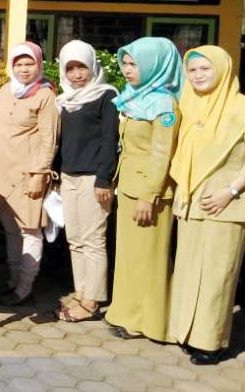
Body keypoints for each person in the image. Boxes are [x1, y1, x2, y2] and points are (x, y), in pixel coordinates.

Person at [168, 46, 245, 365]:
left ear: (223, 70)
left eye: (205, 69)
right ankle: (187, 332)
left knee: (217, 273)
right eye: (193, 70)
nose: (198, 76)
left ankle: (211, 342)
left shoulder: (240, 107)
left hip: (226, 203)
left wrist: (230, 190)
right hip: (190, 201)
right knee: (188, 270)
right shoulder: (188, 103)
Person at [106, 37, 183, 343]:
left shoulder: (164, 104)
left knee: (149, 259)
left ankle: (149, 322)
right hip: (128, 185)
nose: (127, 70)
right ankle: (125, 313)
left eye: (134, 64)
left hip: (148, 193)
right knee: (129, 256)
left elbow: (162, 155)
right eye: (125, 63)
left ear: (155, 65)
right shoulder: (134, 96)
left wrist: (149, 195)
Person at [53, 40, 119, 322]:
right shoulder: (64, 100)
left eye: (82, 67)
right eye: (71, 68)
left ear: (93, 66)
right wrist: (56, 173)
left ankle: (91, 301)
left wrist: (104, 180)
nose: (77, 74)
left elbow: (110, 140)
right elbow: (61, 141)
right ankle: (81, 293)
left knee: (93, 241)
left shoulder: (106, 97)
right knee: (75, 239)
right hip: (69, 177)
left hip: (95, 179)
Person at [0, 41, 59, 307]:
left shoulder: (45, 96)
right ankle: (12, 281)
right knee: (10, 231)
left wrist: (40, 173)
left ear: (39, 64)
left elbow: (48, 139)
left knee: (30, 231)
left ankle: (25, 288)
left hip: (28, 174)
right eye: (18, 63)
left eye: (29, 63)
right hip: (2, 174)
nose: (24, 69)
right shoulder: (5, 91)